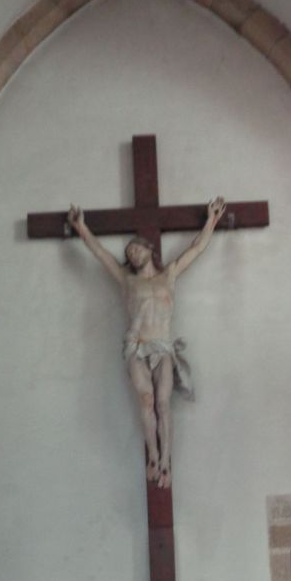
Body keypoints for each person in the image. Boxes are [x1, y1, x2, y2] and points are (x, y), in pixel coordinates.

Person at [67, 197, 226, 488]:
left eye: (137, 248)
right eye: (130, 252)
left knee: (164, 403)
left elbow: (197, 249)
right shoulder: (127, 280)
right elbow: (100, 253)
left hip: (162, 346)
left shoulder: (169, 275)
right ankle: (152, 455)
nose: (134, 254)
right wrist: (81, 228)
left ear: (149, 249)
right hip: (138, 346)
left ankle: (166, 459)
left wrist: (212, 220)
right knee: (146, 399)